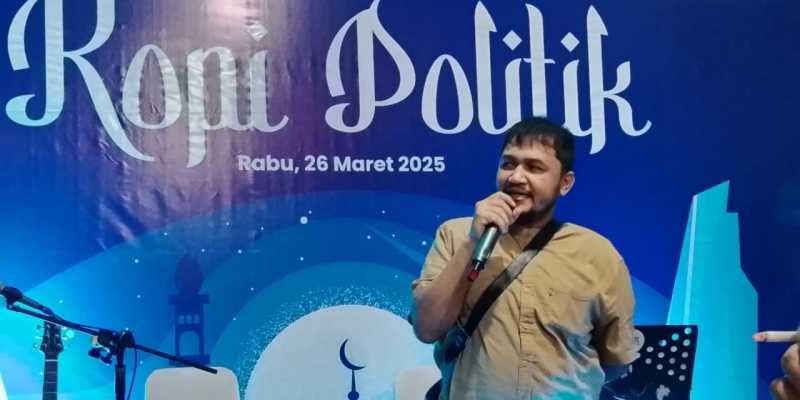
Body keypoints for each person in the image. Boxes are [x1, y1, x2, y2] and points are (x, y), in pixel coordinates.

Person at [410, 117, 639, 399]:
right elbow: (427, 328)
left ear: (565, 183)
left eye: (534, 167)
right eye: (508, 164)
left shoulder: (597, 254)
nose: (516, 177)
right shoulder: (456, 235)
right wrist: (473, 242)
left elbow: (615, 360)